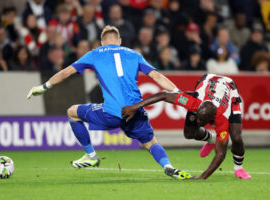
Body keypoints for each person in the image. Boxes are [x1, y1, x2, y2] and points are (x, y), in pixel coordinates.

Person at [27, 25, 192, 180]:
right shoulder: (134, 54)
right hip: (135, 110)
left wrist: (44, 86)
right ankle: (168, 166)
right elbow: (158, 77)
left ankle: (91, 156)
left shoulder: (95, 53)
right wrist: (179, 92)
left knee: (72, 112)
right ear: (119, 41)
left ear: (101, 42)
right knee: (150, 143)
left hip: (112, 113)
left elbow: (67, 72)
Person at [122, 74, 251, 180]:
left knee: (236, 136)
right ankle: (211, 139)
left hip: (229, 90)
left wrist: (202, 177)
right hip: (208, 80)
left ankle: (238, 168)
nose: (198, 121)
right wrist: (134, 107)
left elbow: (221, 153)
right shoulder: (192, 101)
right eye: (198, 117)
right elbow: (163, 95)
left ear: (211, 119)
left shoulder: (222, 118)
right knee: (189, 133)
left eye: (202, 120)